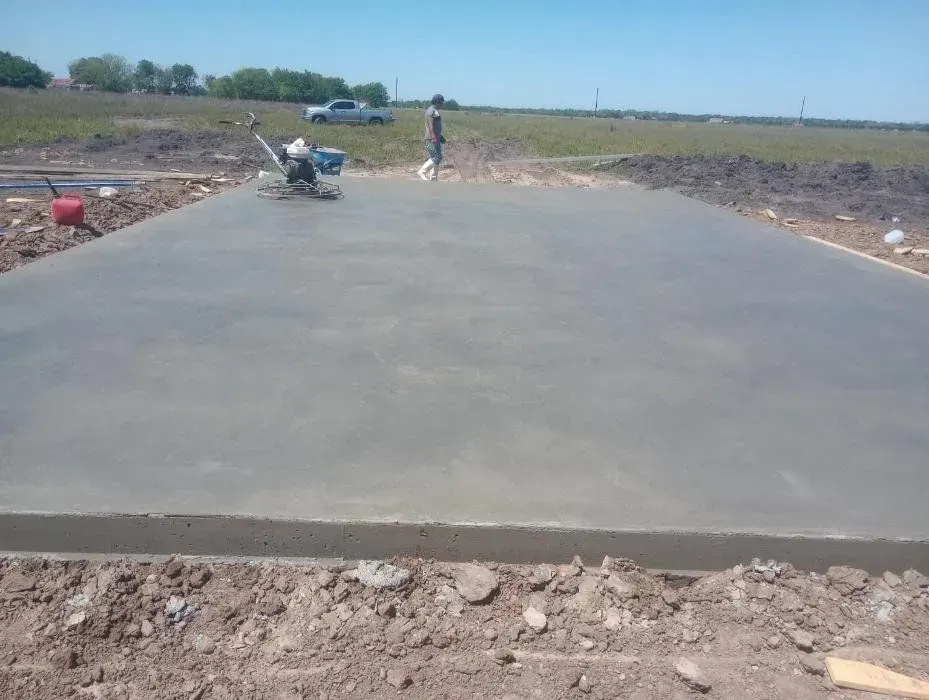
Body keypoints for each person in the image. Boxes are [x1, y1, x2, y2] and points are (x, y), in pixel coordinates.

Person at [417, 94, 446, 181]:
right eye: (441, 102)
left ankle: (433, 178)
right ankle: (422, 171)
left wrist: (440, 136)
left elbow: (436, 126)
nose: (442, 104)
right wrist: (434, 137)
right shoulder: (431, 111)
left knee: (436, 157)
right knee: (437, 157)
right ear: (437, 101)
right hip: (430, 139)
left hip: (435, 137)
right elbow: (430, 125)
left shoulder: (435, 111)